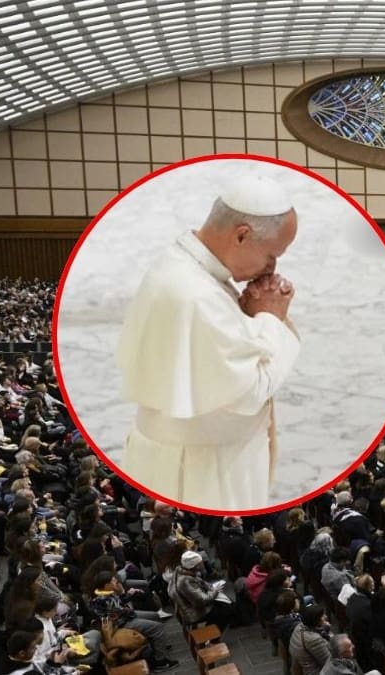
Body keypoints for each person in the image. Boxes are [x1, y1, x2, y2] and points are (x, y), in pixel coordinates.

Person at [116, 175, 300, 510]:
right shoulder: (196, 295)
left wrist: (248, 314)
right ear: (242, 235)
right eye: (273, 255)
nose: (273, 267)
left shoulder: (187, 267)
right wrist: (271, 317)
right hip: (203, 468)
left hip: (198, 454)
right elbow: (249, 392)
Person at [170, 550, 235, 631]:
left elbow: (200, 585)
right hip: (193, 613)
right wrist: (215, 591)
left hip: (189, 606)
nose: (203, 563)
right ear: (195, 565)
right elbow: (201, 600)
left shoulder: (181, 572)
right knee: (225, 610)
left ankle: (212, 631)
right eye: (200, 562)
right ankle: (211, 637)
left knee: (228, 603)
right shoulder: (185, 581)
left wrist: (211, 587)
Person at [290, 604, 332, 675]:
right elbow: (328, 662)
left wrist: (324, 628)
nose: (326, 617)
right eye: (322, 616)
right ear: (315, 620)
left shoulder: (299, 627)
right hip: (316, 671)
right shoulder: (314, 640)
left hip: (303, 667)